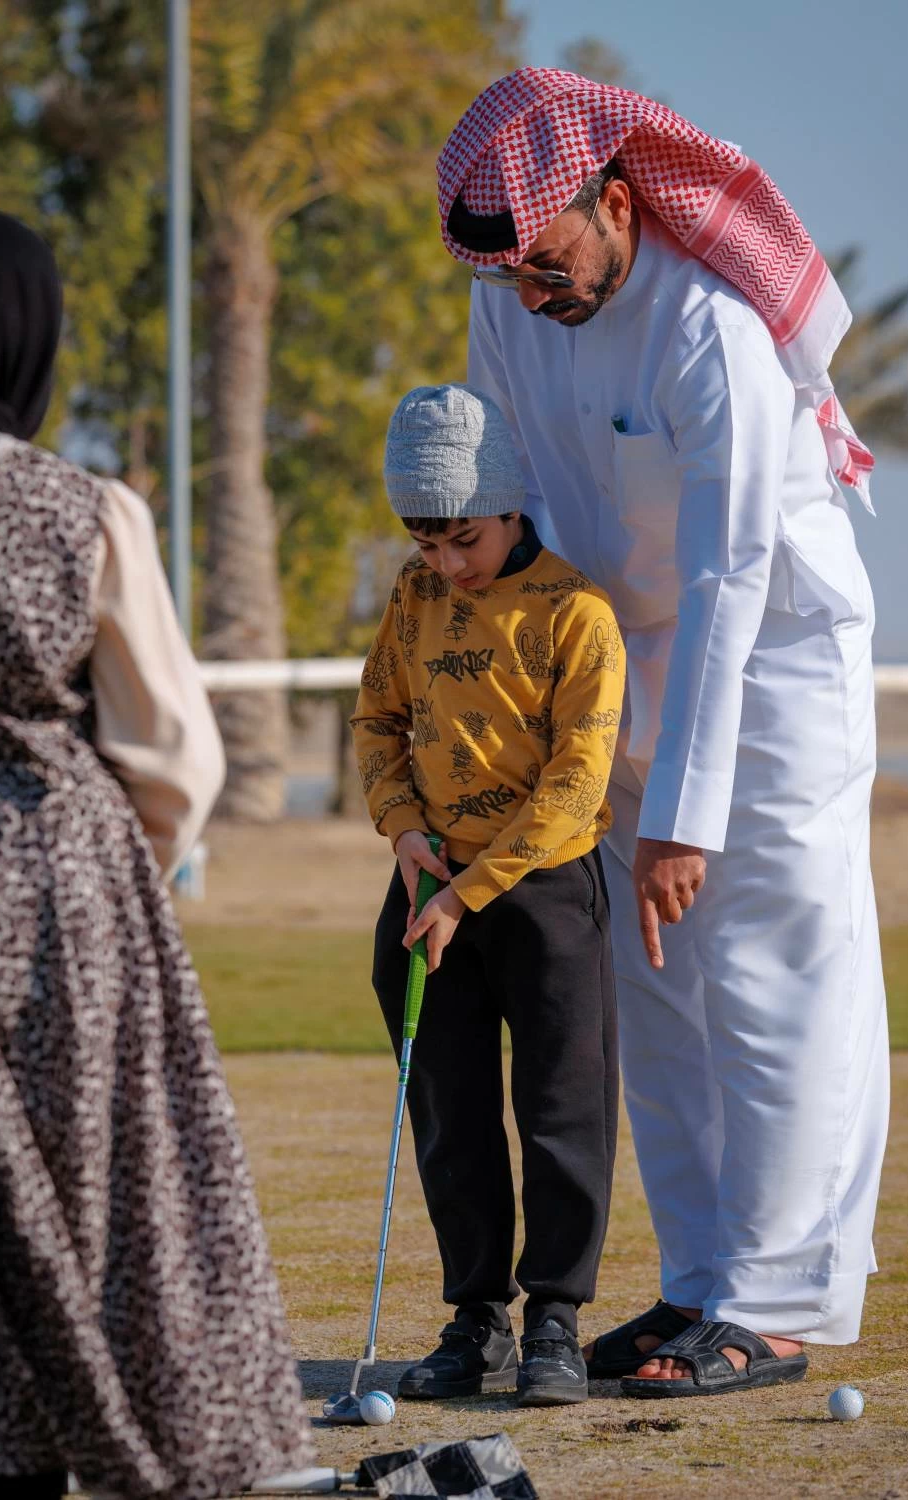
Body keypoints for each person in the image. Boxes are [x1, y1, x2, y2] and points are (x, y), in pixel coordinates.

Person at [435, 69, 890, 1397]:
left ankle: (776, 1301)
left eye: (550, 258)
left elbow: (729, 576)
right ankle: (699, 1286)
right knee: (652, 984)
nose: (533, 290)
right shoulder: (511, 308)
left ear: (619, 202)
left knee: (763, 974)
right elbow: (514, 506)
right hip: (607, 671)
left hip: (773, 672)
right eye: (509, 272)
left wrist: (684, 815)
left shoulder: (711, 323)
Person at [0, 210, 311, 1498]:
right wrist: (122, 875)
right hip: (51, 890)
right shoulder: (84, 508)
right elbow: (176, 755)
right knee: (77, 1201)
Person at [351, 383, 625, 1407]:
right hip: (425, 885)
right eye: (426, 544)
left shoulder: (579, 614)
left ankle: (556, 1318)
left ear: (508, 508)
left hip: (541, 889)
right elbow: (377, 721)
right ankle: (478, 1320)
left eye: (461, 539)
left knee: (562, 1105)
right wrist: (406, 835)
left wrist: (469, 891)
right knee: (448, 1109)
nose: (446, 565)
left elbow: (575, 783)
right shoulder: (412, 601)